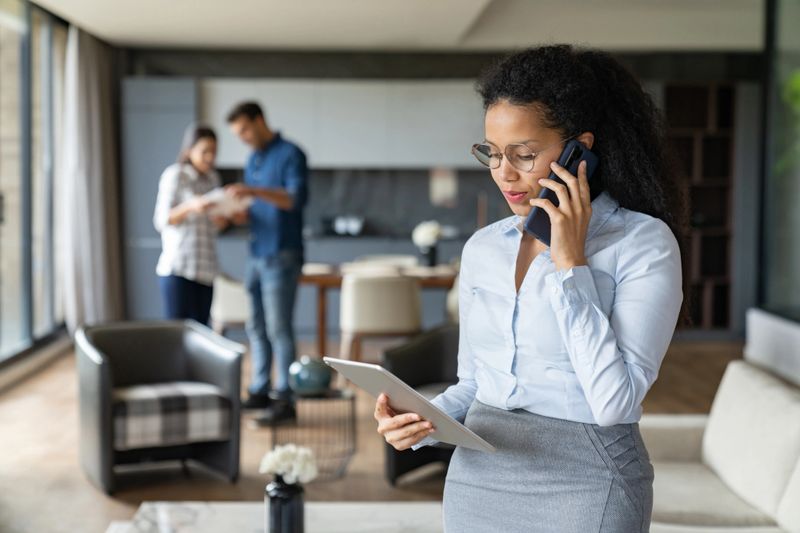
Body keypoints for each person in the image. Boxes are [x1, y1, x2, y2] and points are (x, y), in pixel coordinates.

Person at [374, 45, 687, 532]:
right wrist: (419, 421)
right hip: (479, 477)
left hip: (588, 478)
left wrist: (570, 264)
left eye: (524, 154)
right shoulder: (484, 248)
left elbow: (614, 404)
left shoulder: (642, 242)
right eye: (493, 154)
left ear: (578, 150)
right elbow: (478, 384)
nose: (504, 172)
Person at [226, 102, 309, 425]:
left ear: (260, 121)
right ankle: (260, 388)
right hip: (256, 253)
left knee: (279, 329)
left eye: (245, 130)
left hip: (282, 254)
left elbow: (292, 199)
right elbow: (259, 204)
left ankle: (284, 398)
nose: (243, 138)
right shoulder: (253, 158)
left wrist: (253, 190)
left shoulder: (291, 154)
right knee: (256, 327)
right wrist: (242, 211)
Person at [153, 124, 231, 325]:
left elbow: (211, 228)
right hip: (179, 268)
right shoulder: (176, 175)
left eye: (213, 151)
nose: (210, 157)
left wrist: (222, 221)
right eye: (205, 151)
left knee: (202, 334)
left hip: (206, 269)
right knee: (177, 334)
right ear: (189, 150)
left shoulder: (213, 179)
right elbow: (161, 220)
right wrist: (190, 206)